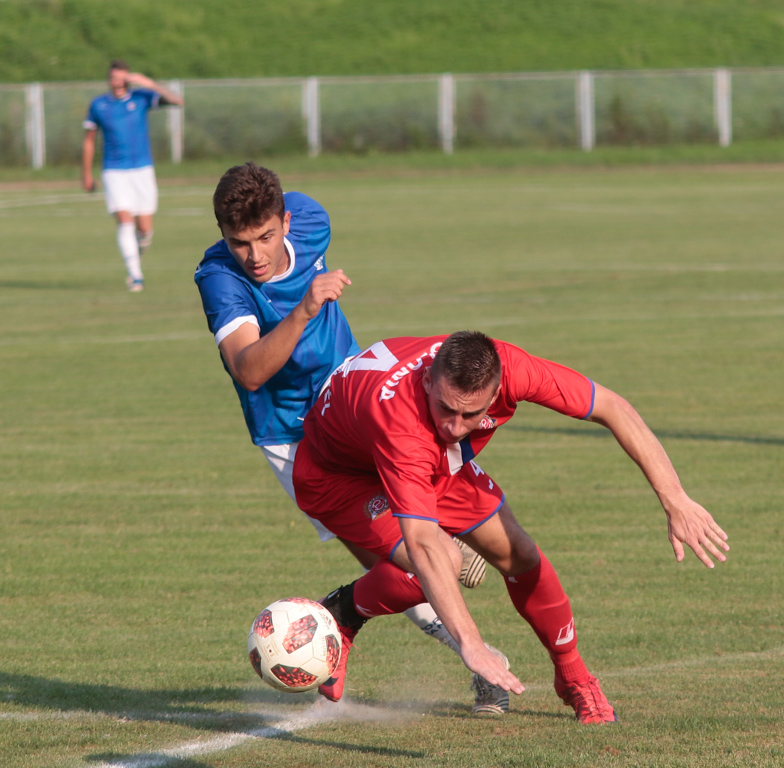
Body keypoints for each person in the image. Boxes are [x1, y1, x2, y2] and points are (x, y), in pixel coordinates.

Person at [292, 331, 730, 722]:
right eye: (445, 407)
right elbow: (424, 544)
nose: (454, 425)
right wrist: (472, 642)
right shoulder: (401, 423)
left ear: (499, 389)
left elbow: (612, 406)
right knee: (438, 562)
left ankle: (573, 676)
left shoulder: (513, 368)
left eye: (471, 415)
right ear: (428, 381)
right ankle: (344, 612)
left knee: (519, 554)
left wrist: (676, 499)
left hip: (434, 463)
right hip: (339, 477)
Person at [194, 163, 503, 715]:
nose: (256, 256)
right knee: (404, 561)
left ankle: (355, 611)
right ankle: (480, 662)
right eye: (240, 243)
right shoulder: (220, 278)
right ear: (223, 236)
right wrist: (306, 307)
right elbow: (249, 369)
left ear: (286, 221)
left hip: (358, 407)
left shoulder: (312, 220)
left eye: (266, 237)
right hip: (295, 438)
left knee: (421, 550)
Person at [82, 59, 184, 292]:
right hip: (114, 170)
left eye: (122, 77)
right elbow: (89, 141)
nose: (117, 82)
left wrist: (148, 83)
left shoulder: (141, 98)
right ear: (109, 79)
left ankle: (135, 257)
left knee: (144, 230)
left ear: (129, 78)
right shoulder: (99, 105)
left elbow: (178, 101)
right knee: (125, 222)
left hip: (142, 170)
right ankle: (135, 275)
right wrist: (86, 174)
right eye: (113, 77)